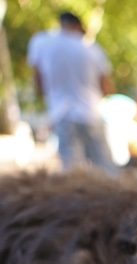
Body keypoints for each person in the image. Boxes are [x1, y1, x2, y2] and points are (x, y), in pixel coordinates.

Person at [27, 11, 117, 175]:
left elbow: (38, 80)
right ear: (78, 26)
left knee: (72, 171)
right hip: (91, 113)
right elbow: (107, 88)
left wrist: (53, 95)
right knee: (105, 167)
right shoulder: (92, 49)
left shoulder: (41, 42)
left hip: (61, 113)